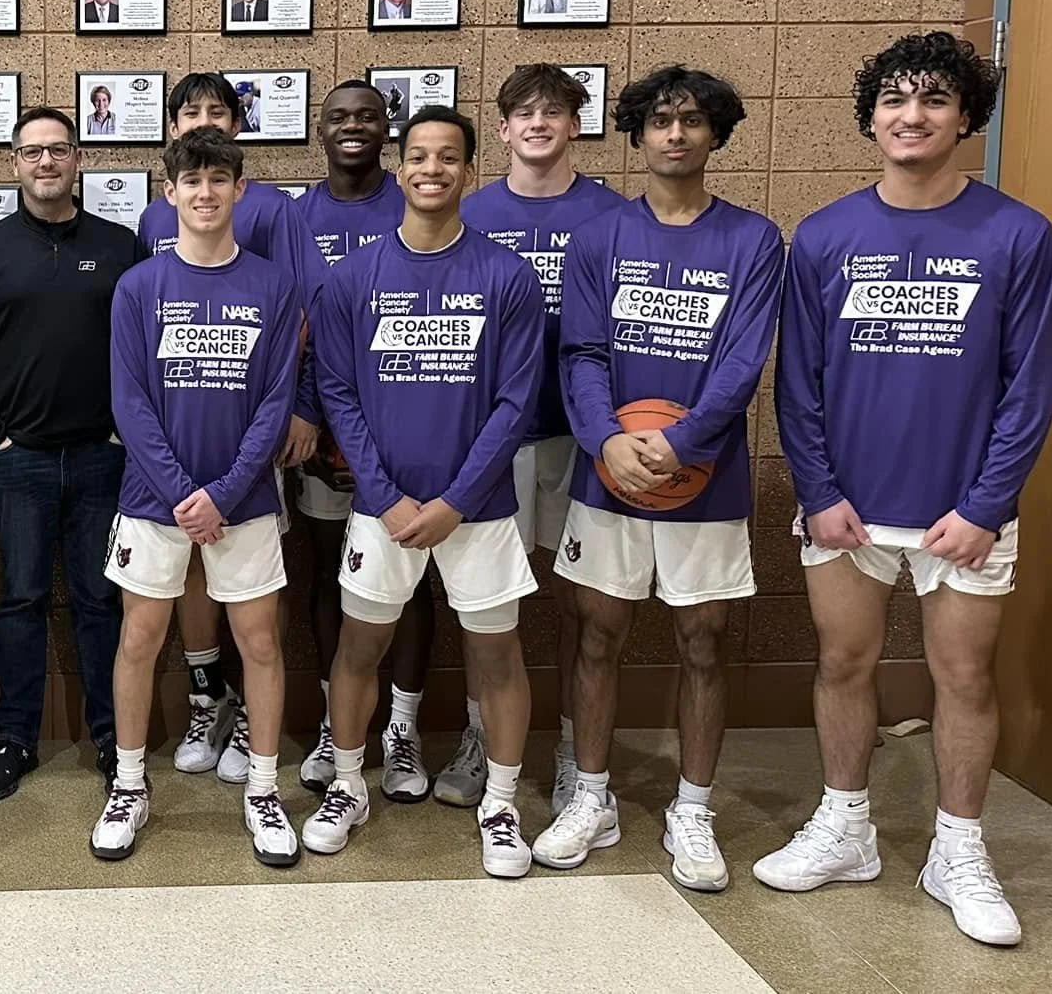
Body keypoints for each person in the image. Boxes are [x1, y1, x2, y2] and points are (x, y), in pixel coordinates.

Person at [755, 31, 1052, 947]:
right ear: (871, 118)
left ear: (965, 116)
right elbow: (797, 380)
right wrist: (818, 489)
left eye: (933, 99)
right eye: (895, 99)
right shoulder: (826, 235)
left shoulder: (1017, 232)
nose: (912, 115)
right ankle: (846, 827)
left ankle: (956, 850)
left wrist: (984, 504)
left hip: (961, 513)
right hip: (847, 507)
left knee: (962, 675)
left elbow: (1029, 385)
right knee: (842, 663)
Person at [533, 66, 784, 894]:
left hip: (702, 472)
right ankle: (593, 797)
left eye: (692, 122)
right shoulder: (601, 236)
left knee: (703, 641)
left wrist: (684, 440)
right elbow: (582, 350)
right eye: (660, 122)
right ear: (637, 135)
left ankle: (694, 808)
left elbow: (744, 358)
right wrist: (604, 437)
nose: (676, 135)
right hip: (610, 470)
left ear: (716, 134)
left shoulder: (752, 240)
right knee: (597, 632)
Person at [304, 105, 543, 877]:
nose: (432, 169)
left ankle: (501, 805)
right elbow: (337, 393)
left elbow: (516, 401)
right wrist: (385, 494)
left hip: (476, 511)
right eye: (419, 157)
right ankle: (346, 785)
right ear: (399, 169)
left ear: (470, 171)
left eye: (448, 157)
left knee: (497, 658)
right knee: (358, 649)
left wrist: (455, 501)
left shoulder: (506, 275)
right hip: (384, 508)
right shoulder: (354, 278)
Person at [91, 128, 303, 867]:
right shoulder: (139, 287)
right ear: (169, 193)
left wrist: (225, 491)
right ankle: (126, 785)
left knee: (261, 644)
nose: (206, 192)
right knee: (140, 640)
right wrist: (186, 493)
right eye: (192, 180)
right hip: (155, 500)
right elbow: (129, 401)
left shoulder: (274, 285)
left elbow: (276, 402)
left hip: (242, 501)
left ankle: (265, 791)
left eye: (220, 179)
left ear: (241, 190)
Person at [0, 107, 149, 799]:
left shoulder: (121, 246)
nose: (46, 163)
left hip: (102, 456)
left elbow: (143, 349)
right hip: (18, 459)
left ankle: (114, 741)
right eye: (32, 152)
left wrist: (124, 432)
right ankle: (15, 740)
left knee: (99, 601)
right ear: (14, 164)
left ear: (78, 158)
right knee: (21, 601)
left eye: (58, 150)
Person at [135, 72, 319, 787]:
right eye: (190, 112)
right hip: (177, 434)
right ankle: (209, 697)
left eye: (218, 111)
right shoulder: (156, 218)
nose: (202, 120)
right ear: (171, 130)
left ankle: (251, 715)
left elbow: (301, 318)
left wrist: (303, 406)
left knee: (248, 579)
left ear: (239, 128)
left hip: (251, 427)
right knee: (188, 569)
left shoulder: (271, 209)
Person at [459, 63, 628, 814]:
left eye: (553, 112)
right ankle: (478, 735)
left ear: (574, 125)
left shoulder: (612, 215)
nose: (538, 124)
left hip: (583, 435)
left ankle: (569, 748)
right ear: (501, 130)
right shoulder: (472, 212)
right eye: (523, 113)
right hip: (496, 438)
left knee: (582, 605)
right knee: (489, 605)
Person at [291, 81, 434, 801]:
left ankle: (401, 730)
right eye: (339, 116)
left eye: (367, 116)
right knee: (327, 575)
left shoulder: (409, 198)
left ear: (389, 131)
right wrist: (310, 419)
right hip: (323, 430)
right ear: (320, 130)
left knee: (410, 583)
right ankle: (331, 721)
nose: (353, 126)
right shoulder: (297, 216)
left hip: (407, 436)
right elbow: (295, 331)